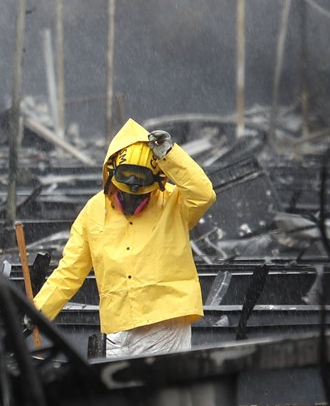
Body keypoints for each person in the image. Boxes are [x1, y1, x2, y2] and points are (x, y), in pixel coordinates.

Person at [33, 119, 215, 357]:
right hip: (117, 327)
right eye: (125, 193)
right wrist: (36, 313)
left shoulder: (174, 203)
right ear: (111, 179)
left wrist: (170, 156)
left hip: (165, 325)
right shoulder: (93, 211)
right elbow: (69, 272)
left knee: (157, 393)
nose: (132, 200)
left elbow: (204, 193)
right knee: (119, 394)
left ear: (156, 183)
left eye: (140, 196)